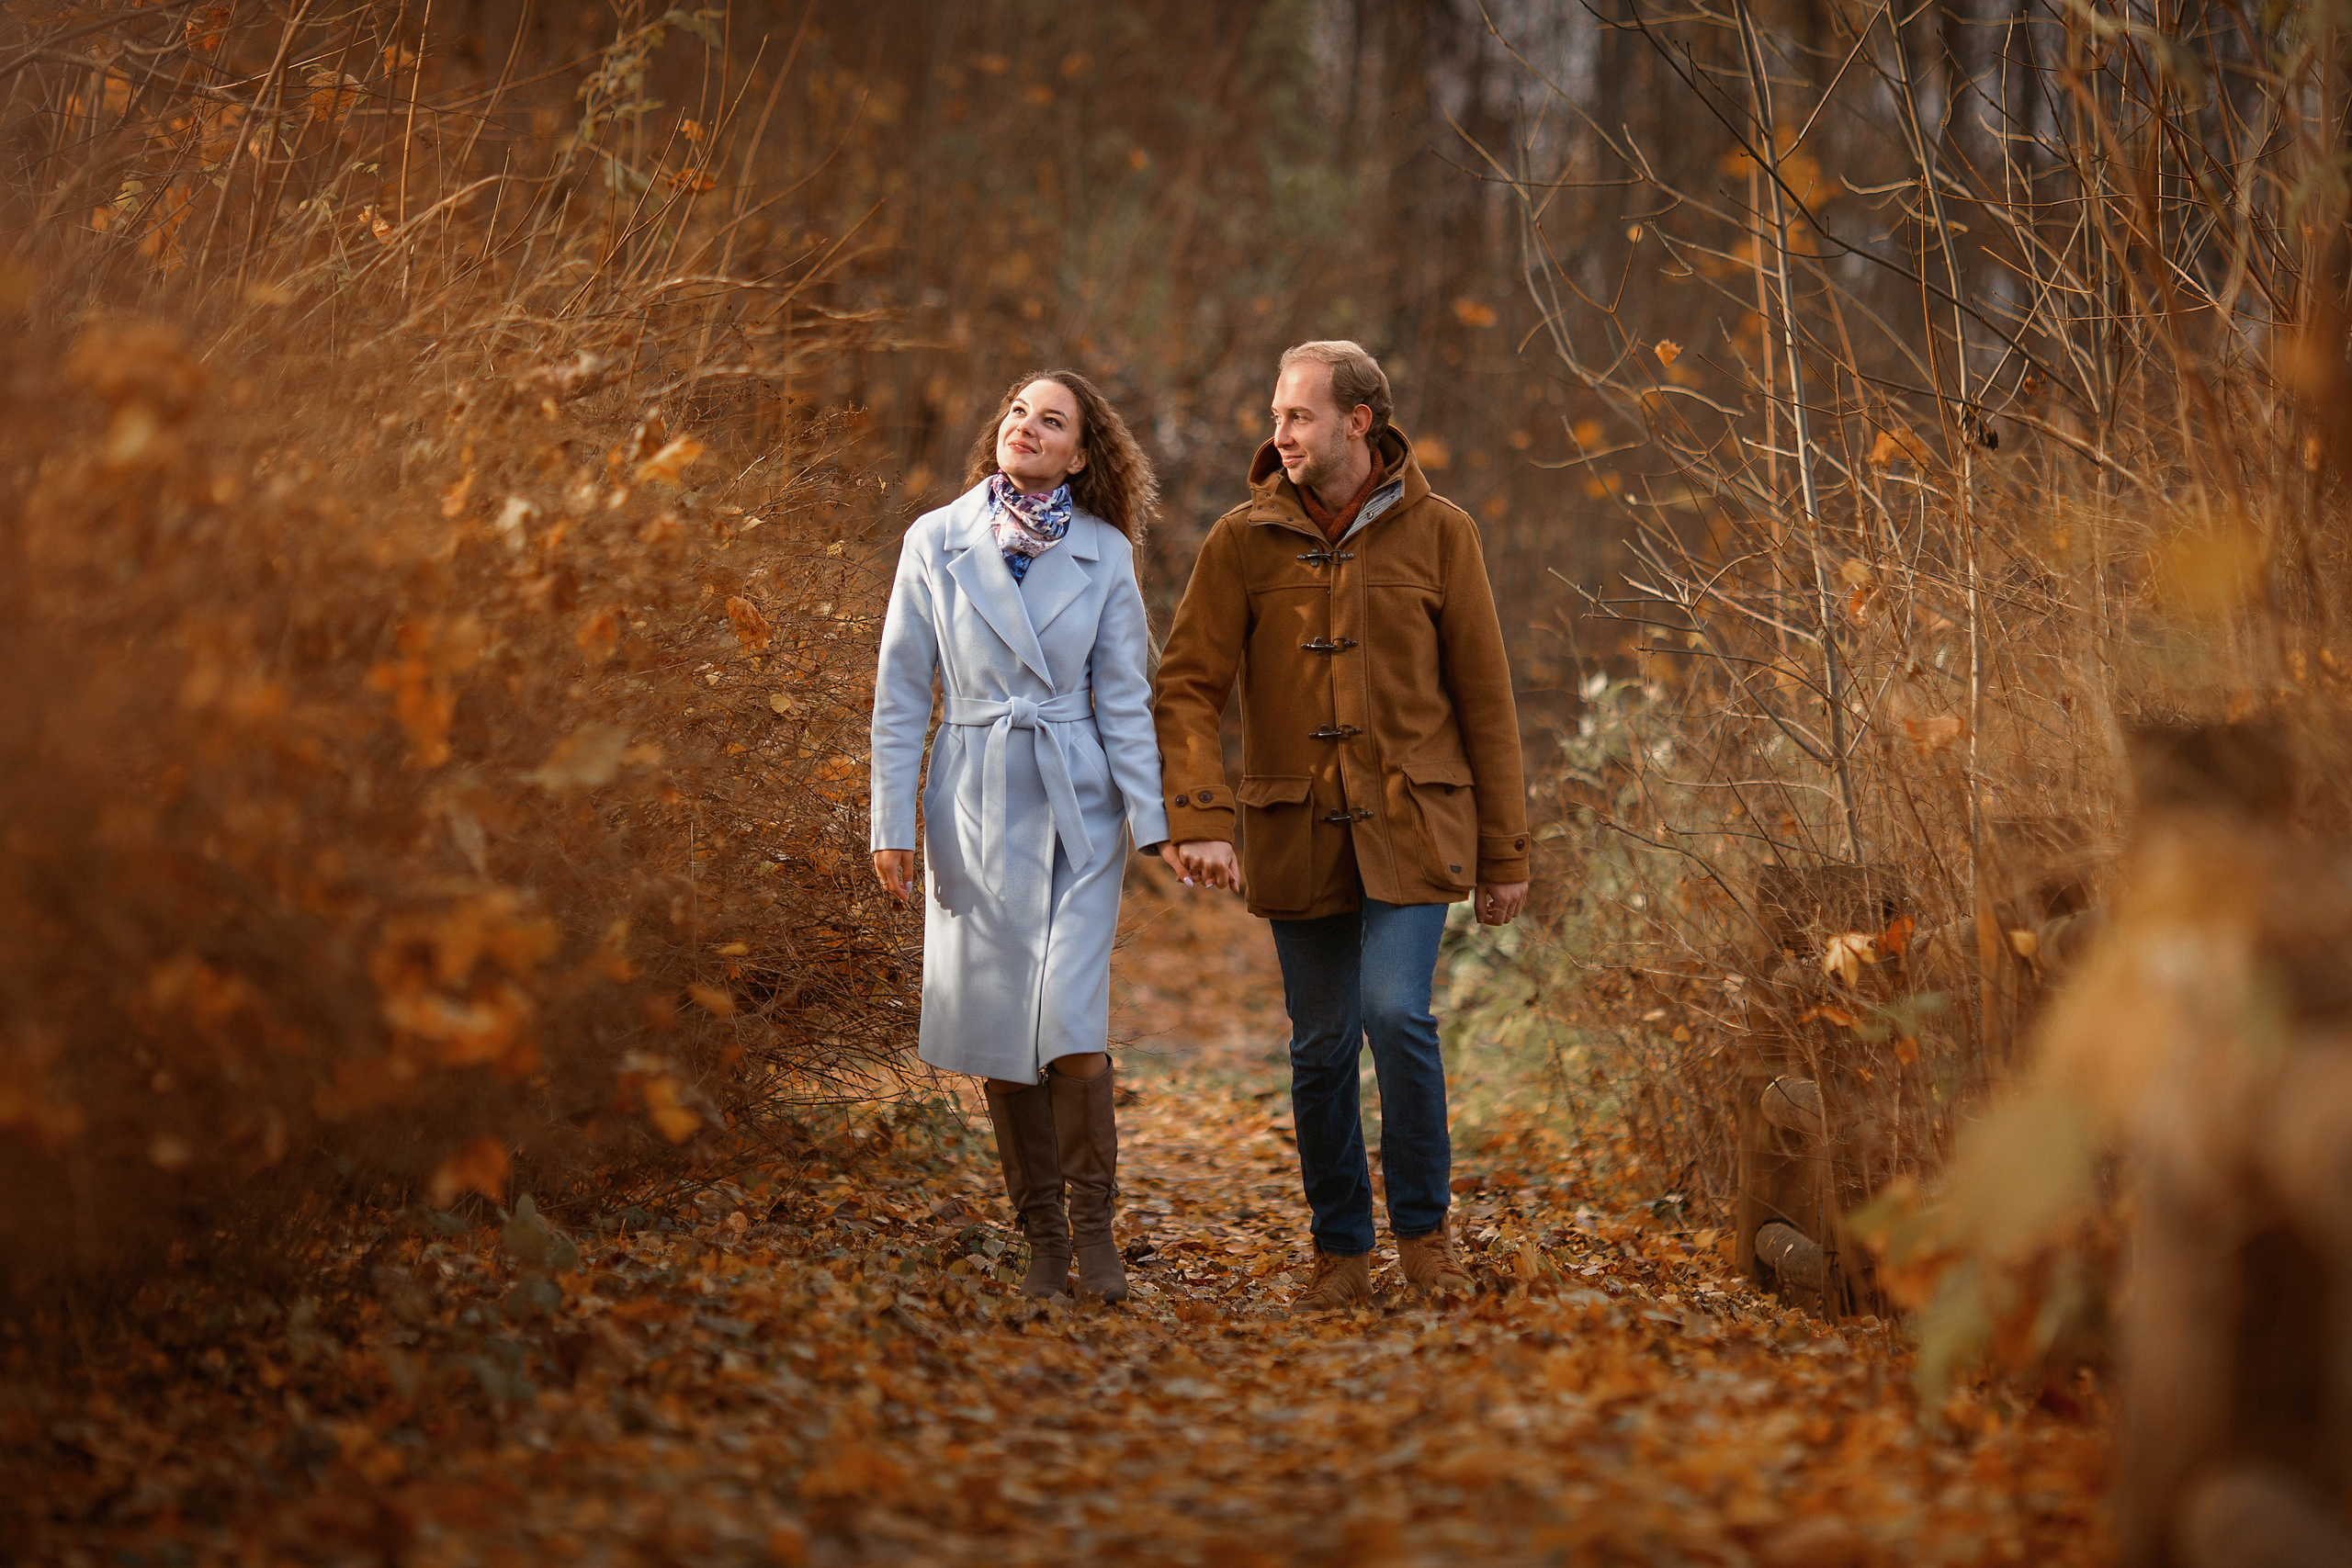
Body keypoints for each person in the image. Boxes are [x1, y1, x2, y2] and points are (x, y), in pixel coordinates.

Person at [1153, 340, 1530, 1311]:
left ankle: (1426, 1237)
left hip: (1414, 822)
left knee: (1396, 1013)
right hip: (1296, 826)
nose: (1279, 434)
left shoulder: (1443, 534)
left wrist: (1504, 852)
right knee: (1321, 1042)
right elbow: (1187, 687)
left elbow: (1486, 702)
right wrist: (1200, 817)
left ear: (1357, 422)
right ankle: (1340, 1250)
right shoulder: (1240, 540)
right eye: (1277, 416)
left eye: (1298, 416)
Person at [869, 371, 1170, 1303]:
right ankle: (1043, 1242)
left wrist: (1156, 823)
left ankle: (1095, 1236)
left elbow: (1126, 698)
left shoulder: (1106, 552)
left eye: (1052, 421)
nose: (1027, 427)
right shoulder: (935, 539)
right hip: (974, 799)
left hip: (1079, 807)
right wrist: (891, 822)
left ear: (1079, 456)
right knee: (1002, 1031)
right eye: (1016, 413)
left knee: (1072, 1027)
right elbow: (901, 693)